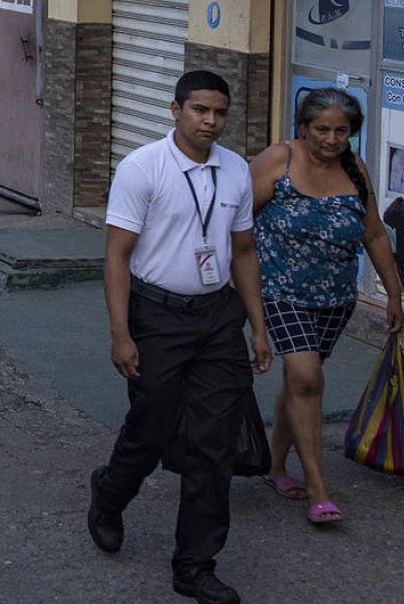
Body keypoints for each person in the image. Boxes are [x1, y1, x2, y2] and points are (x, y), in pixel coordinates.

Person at [88, 70, 272, 604]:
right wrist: (121, 333)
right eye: (199, 111)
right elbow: (117, 257)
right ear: (175, 110)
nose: (210, 122)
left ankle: (195, 565)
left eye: (219, 113)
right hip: (157, 315)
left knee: (213, 445)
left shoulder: (235, 169)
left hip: (218, 318)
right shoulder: (142, 168)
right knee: (153, 427)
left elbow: (243, 252)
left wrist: (257, 326)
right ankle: (109, 493)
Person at [249, 87, 404, 523]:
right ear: (303, 127)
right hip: (280, 291)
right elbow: (234, 218)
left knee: (301, 383)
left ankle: (276, 468)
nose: (332, 139)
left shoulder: (355, 168)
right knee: (305, 376)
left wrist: (393, 293)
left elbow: (374, 233)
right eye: (322, 130)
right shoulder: (279, 160)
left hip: (335, 298)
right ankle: (317, 487)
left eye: (342, 131)